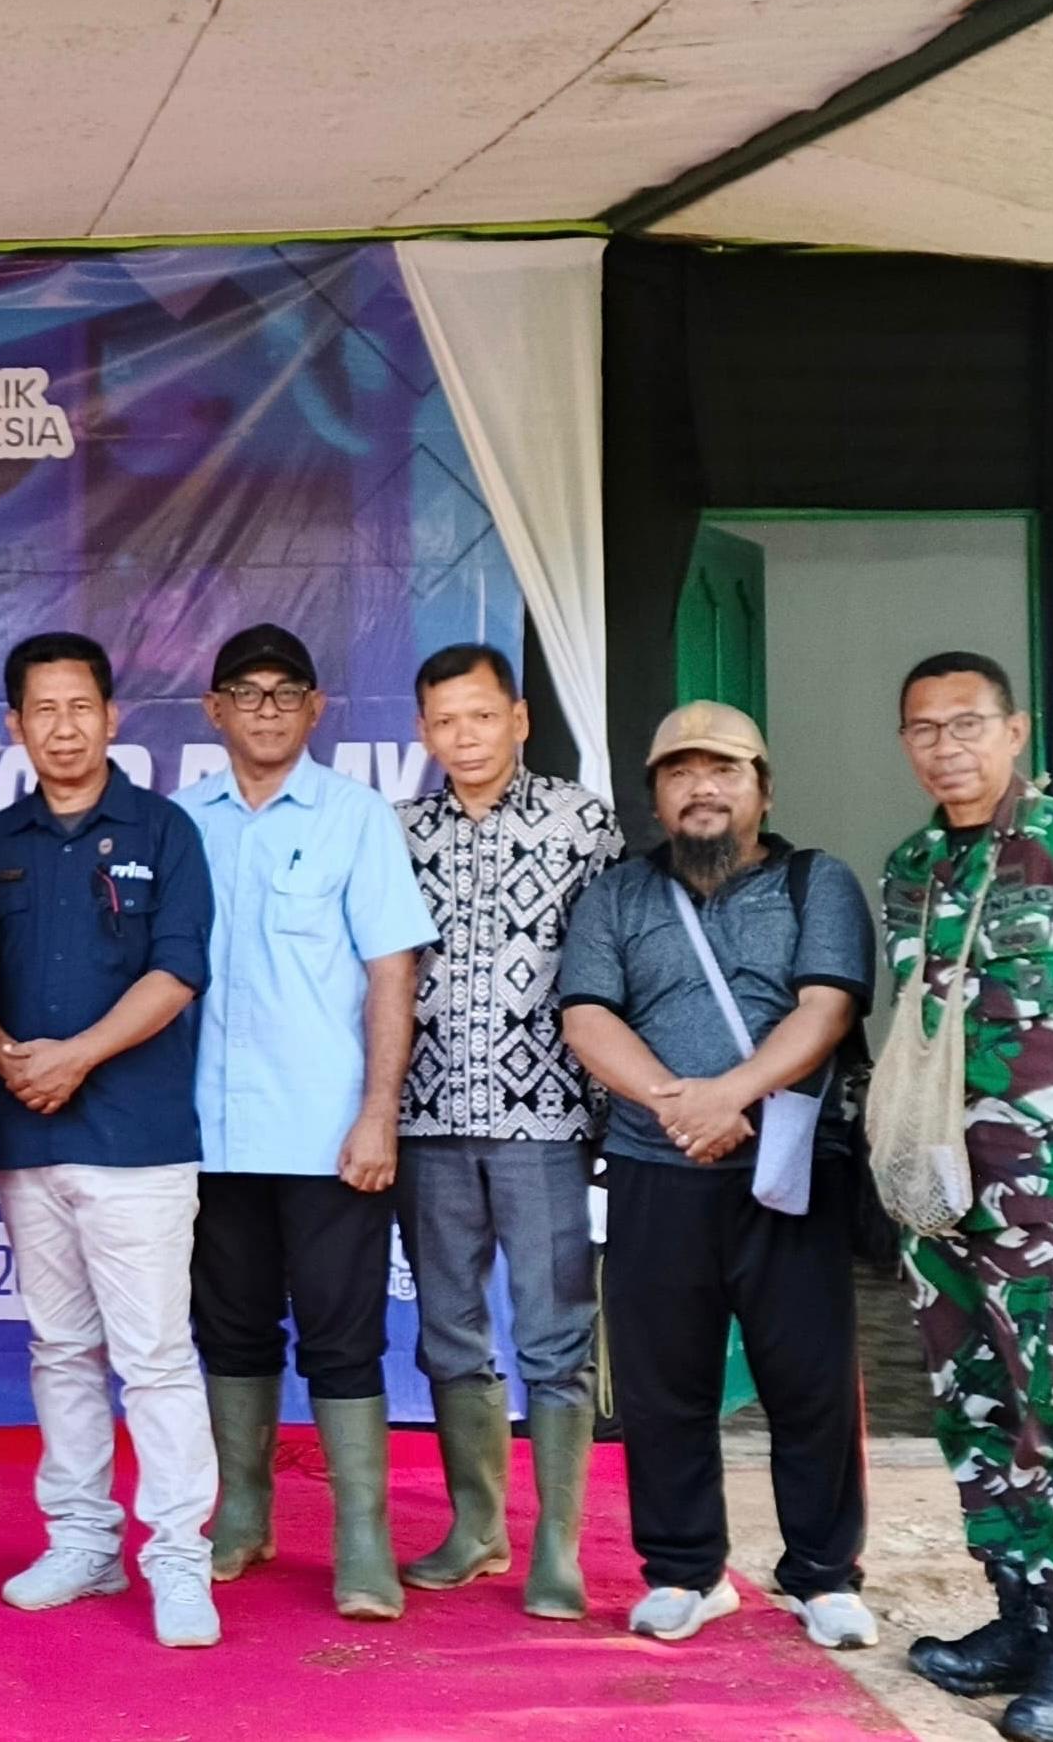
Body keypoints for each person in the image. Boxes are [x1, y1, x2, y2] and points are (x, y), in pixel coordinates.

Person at [559, 700, 879, 1651]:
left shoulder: (817, 882)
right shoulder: (616, 894)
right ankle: (685, 1572)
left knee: (811, 1381)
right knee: (664, 1386)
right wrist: (678, 1105)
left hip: (790, 1168)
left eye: (724, 770)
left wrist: (729, 1095)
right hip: (654, 1170)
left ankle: (824, 1575)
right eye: (680, 772)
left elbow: (825, 1009)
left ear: (762, 789)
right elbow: (586, 1017)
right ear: (656, 797)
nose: (702, 788)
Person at [885, 653, 1053, 1742]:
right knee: (975, 1404)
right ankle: (1017, 1614)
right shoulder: (912, 866)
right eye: (924, 729)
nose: (945, 747)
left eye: (967, 724)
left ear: (1016, 729)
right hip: (942, 1189)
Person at [173, 625, 437, 1620]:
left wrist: (378, 1114)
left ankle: (362, 1536)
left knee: (342, 1335)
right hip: (208, 1133)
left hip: (330, 1132)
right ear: (215, 711)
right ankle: (242, 1509)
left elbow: (392, 973)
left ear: (316, 708)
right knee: (229, 1329)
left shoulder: (356, 817)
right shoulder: (180, 823)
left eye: (287, 692)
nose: (268, 710)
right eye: (247, 693)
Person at [0, 632, 222, 1650]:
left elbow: (178, 971)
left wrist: (75, 1055)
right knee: (62, 1350)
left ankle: (178, 1557)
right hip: (31, 1135)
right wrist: (6, 1055)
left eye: (82, 707)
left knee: (153, 1356)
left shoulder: (164, 830)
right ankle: (83, 1541)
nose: (64, 727)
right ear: (15, 725)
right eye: (44, 709)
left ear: (113, 718)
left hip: (137, 1140)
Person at [395, 643, 623, 1620]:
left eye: (482, 716)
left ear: (519, 719)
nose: (466, 737)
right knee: (448, 1332)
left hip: (546, 1121)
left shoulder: (583, 823)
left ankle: (557, 1549)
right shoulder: (398, 833)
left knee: (554, 1335)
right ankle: (476, 1527)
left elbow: (616, 962)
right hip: (425, 1117)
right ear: (423, 731)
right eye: (446, 721)